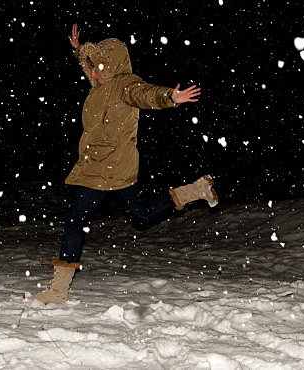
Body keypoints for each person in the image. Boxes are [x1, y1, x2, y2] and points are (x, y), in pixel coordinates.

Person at [28, 24, 218, 305]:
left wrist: (169, 97)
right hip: (102, 164)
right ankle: (196, 190)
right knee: (140, 218)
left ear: (113, 65)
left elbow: (145, 94)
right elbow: (92, 64)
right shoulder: (98, 90)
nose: (94, 73)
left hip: (110, 166)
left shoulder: (125, 84)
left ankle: (58, 290)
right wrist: (80, 50)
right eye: (91, 68)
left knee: (75, 220)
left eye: (100, 66)